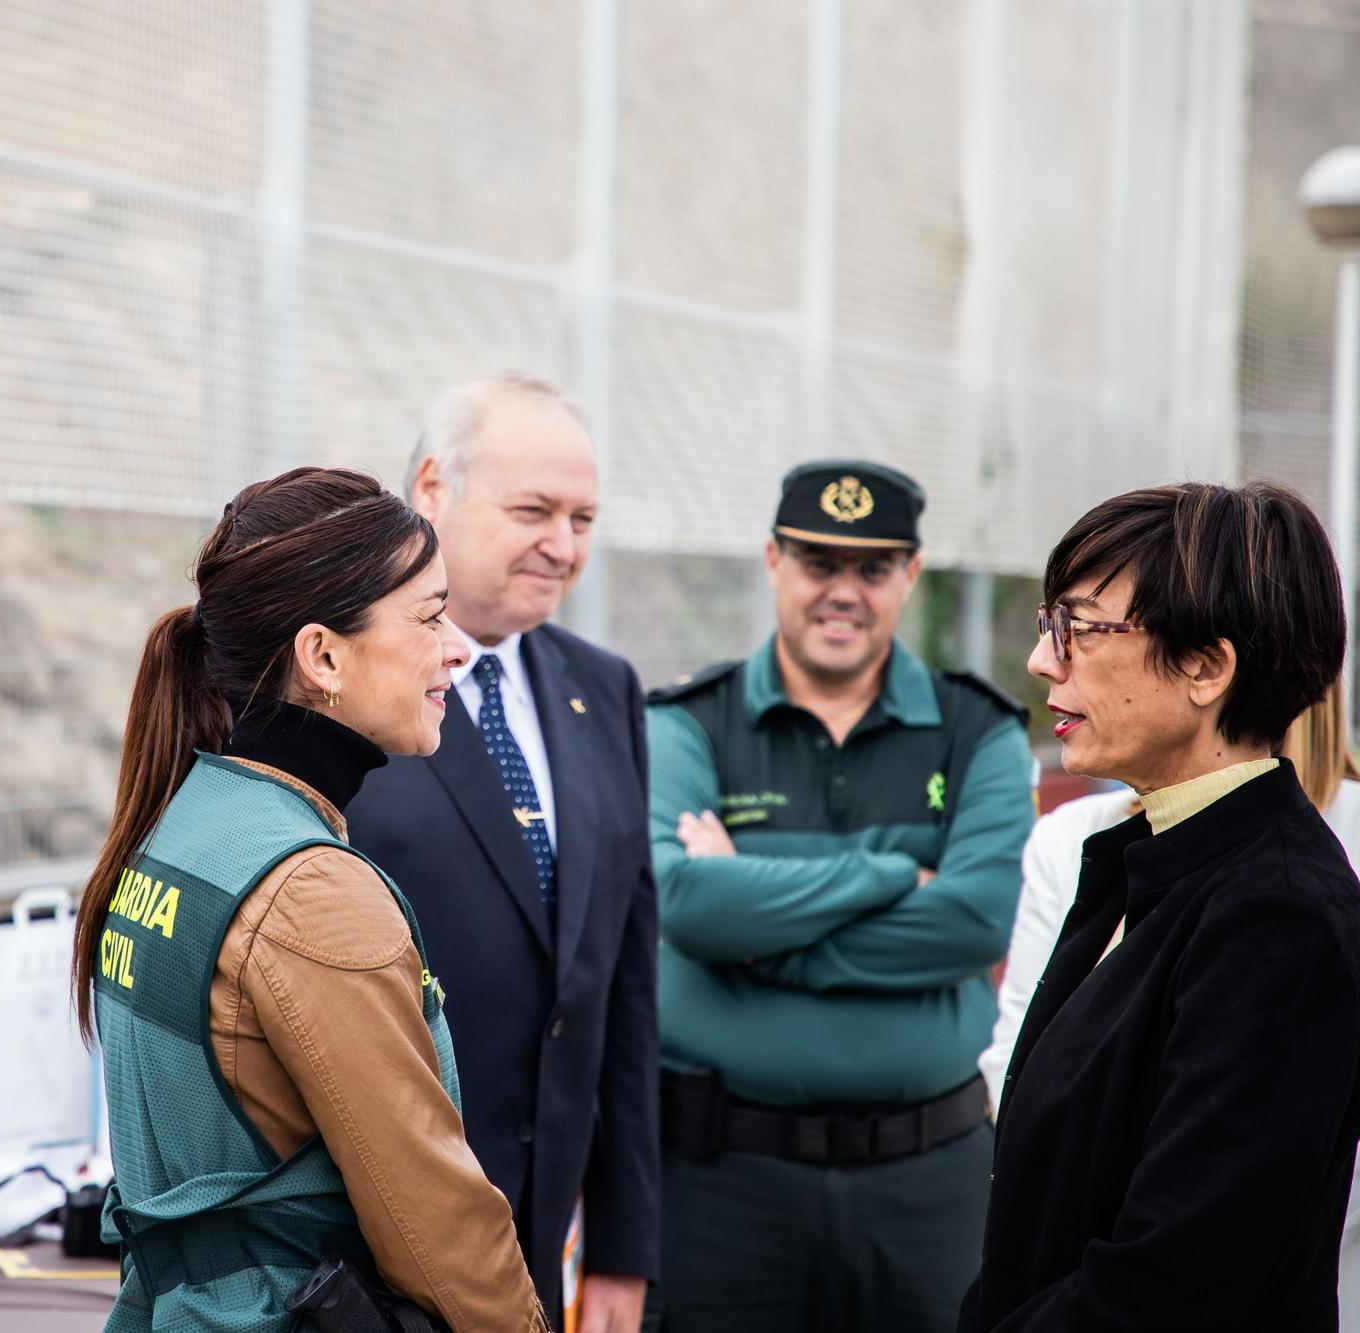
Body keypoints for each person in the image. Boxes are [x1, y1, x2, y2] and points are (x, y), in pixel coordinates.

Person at [75, 466, 547, 1332]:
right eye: (429, 615)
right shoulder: (311, 890)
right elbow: (435, 1221)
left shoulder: (185, 827)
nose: (456, 649)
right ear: (323, 655)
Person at [962, 482, 1360, 1333]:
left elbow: (1174, 1280)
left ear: (1205, 667)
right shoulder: (1145, 861)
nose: (1045, 660)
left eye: (1080, 628)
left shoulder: (1277, 917)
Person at [645, 460, 1035, 1332]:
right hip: (722, 1186)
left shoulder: (978, 731)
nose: (842, 592)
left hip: (930, 1185)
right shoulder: (685, 723)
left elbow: (976, 921)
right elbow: (684, 904)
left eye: (872, 567)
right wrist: (892, 874)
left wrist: (753, 917)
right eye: (819, 563)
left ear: (911, 575)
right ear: (773, 559)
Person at [345, 372, 659, 1332]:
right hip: (366, 1245)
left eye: (584, 517)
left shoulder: (602, 690)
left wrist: (620, 1245)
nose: (564, 546)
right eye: (534, 510)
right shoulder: (336, 687)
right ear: (432, 490)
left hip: (539, 1241)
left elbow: (621, 989)